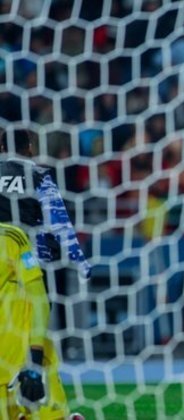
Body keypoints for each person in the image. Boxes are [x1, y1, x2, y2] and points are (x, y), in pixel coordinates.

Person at [0, 129, 90, 420]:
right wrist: (79, 260)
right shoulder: (38, 175)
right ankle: (51, 412)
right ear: (28, 147)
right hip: (27, 262)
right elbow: (58, 219)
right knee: (36, 338)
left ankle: (20, 409)